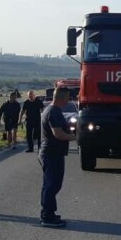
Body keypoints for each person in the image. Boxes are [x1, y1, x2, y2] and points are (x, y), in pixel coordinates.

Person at [38, 86, 76, 228]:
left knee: (49, 184)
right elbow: (58, 134)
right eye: (67, 97)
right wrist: (73, 136)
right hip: (51, 153)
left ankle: (47, 213)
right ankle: (48, 216)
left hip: (49, 152)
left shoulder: (50, 110)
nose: (69, 99)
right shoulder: (53, 112)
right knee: (52, 185)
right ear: (61, 97)